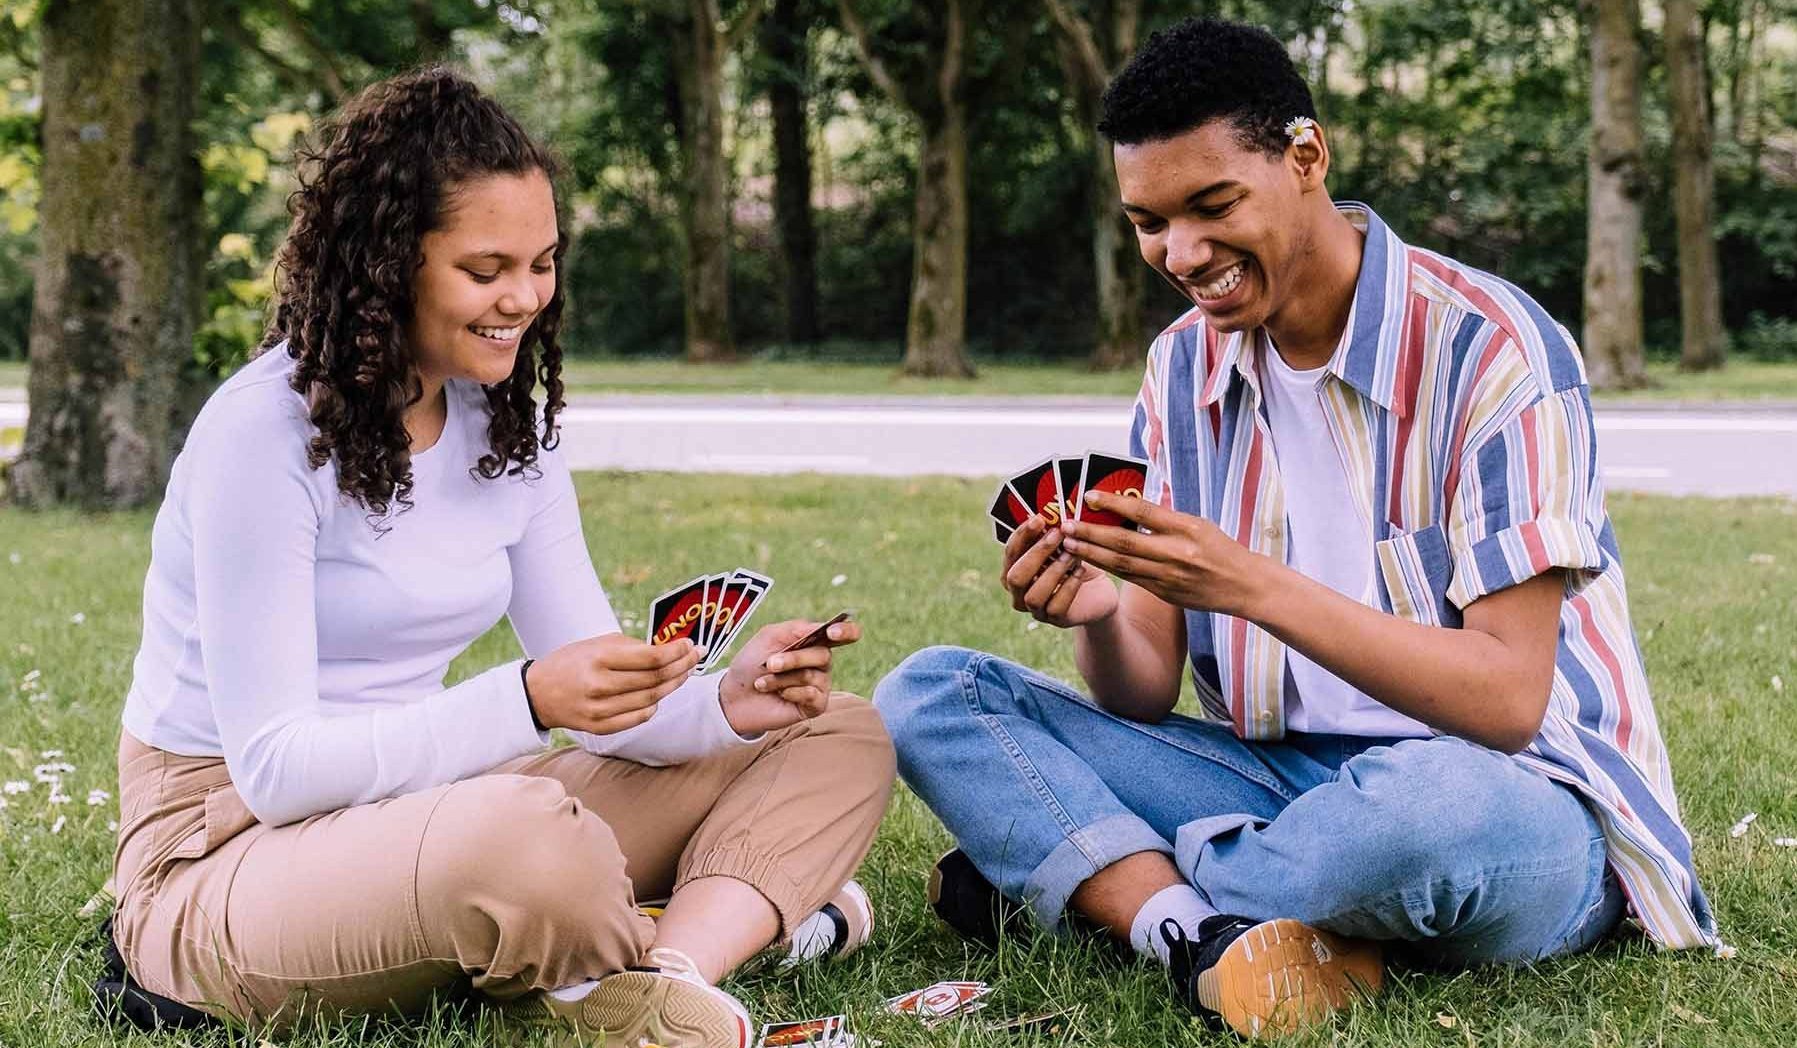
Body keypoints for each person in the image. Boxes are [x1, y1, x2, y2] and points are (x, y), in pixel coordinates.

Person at [874, 17, 1715, 1039]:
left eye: (1212, 204)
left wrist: (1244, 582)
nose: (1182, 253)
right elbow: (1138, 690)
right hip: (1273, 779)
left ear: (1307, 157)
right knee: (931, 693)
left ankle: (1100, 873)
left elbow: (1504, 699)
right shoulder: (1181, 370)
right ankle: (1190, 929)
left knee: (1419, 816)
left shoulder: (1489, 349)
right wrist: (1099, 613)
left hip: (1510, 798)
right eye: (1148, 221)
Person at [106, 69, 894, 1048]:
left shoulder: (506, 423)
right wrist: (525, 702)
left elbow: (601, 690)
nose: (523, 298)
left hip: (424, 810)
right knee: (525, 839)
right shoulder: (262, 434)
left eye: (544, 262)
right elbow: (274, 770)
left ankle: (664, 973)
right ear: (388, 264)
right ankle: (689, 927)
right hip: (226, 846)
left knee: (838, 732)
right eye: (486, 271)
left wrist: (727, 702)